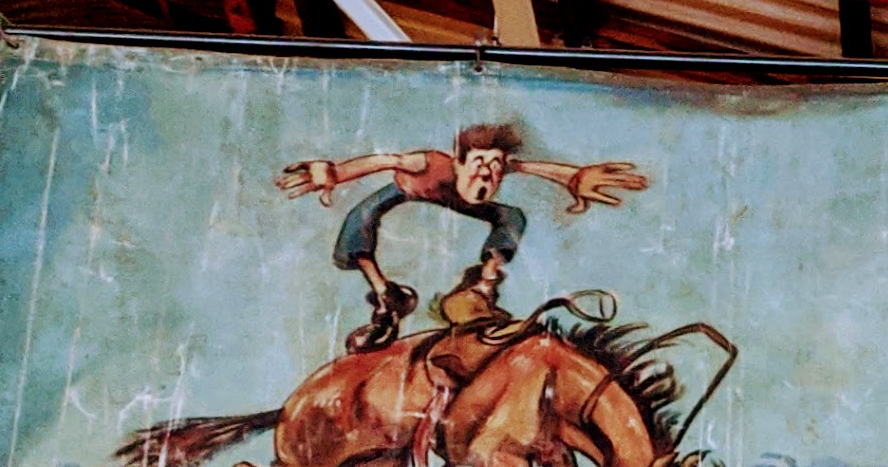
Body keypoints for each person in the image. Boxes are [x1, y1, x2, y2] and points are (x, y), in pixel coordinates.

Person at [277, 123, 647, 352]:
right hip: (413, 192)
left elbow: (530, 167)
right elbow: (385, 161)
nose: (488, 176)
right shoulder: (427, 164)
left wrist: (572, 177)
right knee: (361, 217)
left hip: (454, 200)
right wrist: (337, 172)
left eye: (495, 169)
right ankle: (387, 298)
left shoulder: (492, 174)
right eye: (479, 166)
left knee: (510, 215)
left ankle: (484, 285)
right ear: (459, 161)